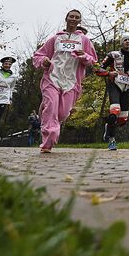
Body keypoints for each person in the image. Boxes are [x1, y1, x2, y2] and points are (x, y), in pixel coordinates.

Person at [33, 9, 97, 153]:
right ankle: (48, 142)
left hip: (71, 81)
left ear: (80, 21)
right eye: (71, 16)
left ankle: (48, 114)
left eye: (77, 17)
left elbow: (92, 60)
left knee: (62, 113)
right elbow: (38, 55)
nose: (73, 19)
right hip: (52, 78)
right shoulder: (55, 39)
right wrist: (45, 61)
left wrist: (84, 56)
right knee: (51, 107)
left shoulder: (85, 41)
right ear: (66, 18)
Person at [95, 33, 129, 151]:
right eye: (125, 40)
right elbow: (98, 69)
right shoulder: (113, 55)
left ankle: (109, 125)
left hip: (128, 86)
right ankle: (112, 140)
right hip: (115, 85)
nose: (127, 42)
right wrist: (109, 73)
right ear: (121, 42)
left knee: (123, 119)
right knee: (114, 112)